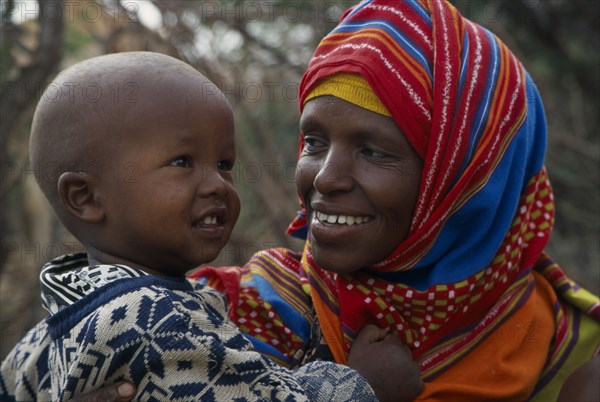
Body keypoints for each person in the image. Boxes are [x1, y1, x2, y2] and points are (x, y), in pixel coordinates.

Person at [32, 0, 600, 400]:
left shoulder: (567, 356)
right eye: (315, 141)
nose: (324, 178)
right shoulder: (221, 313)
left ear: (470, 181)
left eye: (375, 151)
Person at [0, 51, 424, 402]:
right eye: (182, 162)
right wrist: (367, 387)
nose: (218, 186)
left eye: (224, 165)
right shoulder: (155, 321)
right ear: (86, 198)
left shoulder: (55, 323)